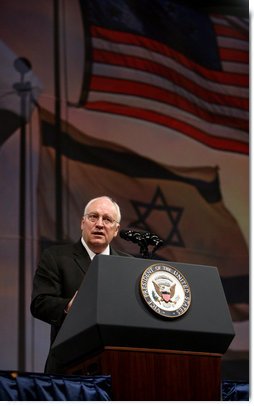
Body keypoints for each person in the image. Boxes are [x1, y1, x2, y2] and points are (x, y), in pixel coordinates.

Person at [30, 196, 131, 373]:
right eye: (93, 217)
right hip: (69, 368)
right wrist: (70, 306)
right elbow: (40, 303)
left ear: (116, 230)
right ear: (82, 223)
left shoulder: (128, 264)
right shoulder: (56, 257)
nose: (99, 224)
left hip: (117, 366)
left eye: (107, 219)